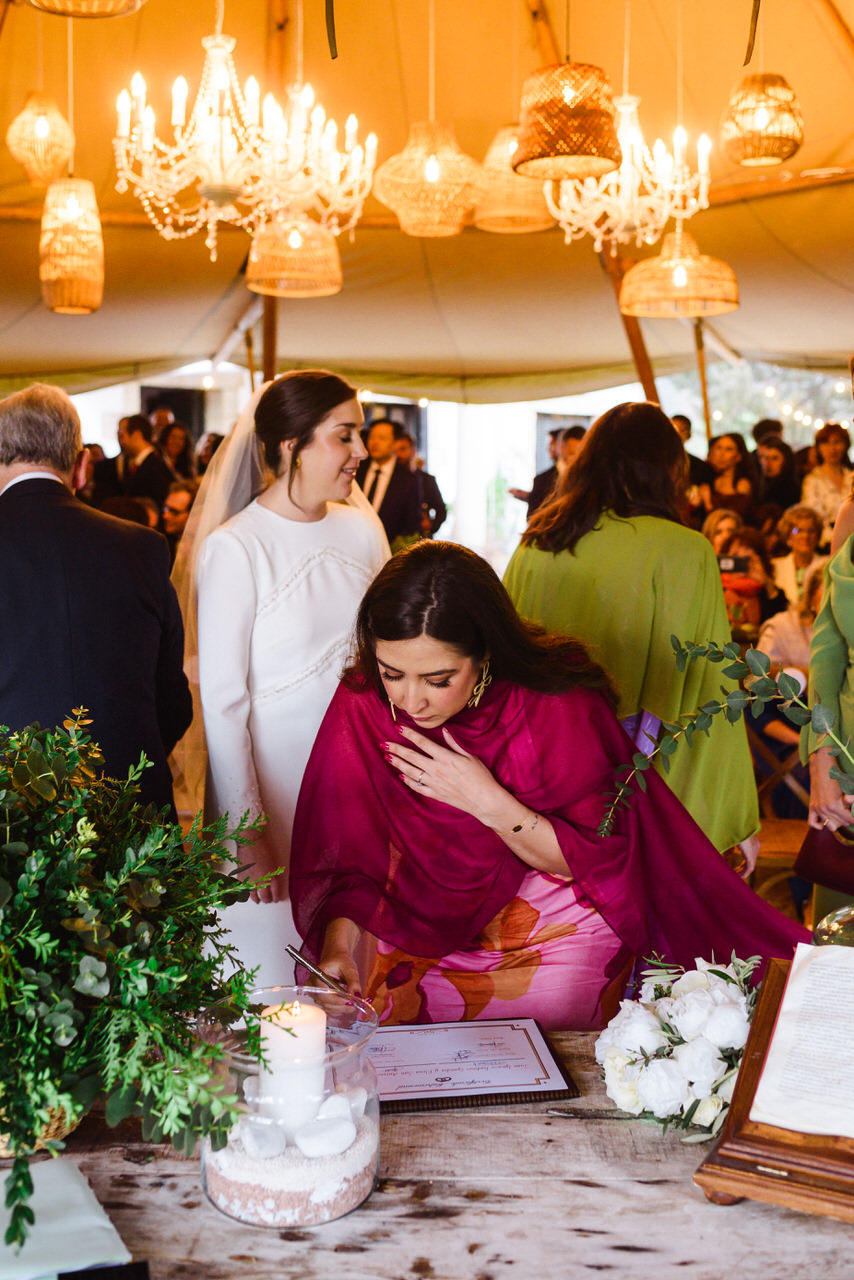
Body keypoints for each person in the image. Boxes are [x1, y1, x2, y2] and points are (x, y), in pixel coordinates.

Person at [290, 542, 806, 1031]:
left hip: (547, 915)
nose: (410, 701)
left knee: (549, 1020)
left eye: (439, 680)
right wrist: (338, 950)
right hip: (413, 916)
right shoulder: (366, 702)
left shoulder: (555, 702)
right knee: (379, 1017)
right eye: (392, 673)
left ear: (484, 653)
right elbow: (351, 863)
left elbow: (594, 859)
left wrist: (487, 801)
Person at [175, 370, 389, 982]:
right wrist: (246, 828)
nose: (361, 450)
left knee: (350, 960)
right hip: (274, 789)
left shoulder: (362, 530)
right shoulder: (236, 546)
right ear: (293, 444)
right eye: (344, 435)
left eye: (360, 434)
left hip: (356, 778)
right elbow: (224, 703)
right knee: (269, 968)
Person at [502, 402, 759, 861]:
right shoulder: (685, 550)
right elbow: (707, 684)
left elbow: (501, 658)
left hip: (536, 774)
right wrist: (729, 809)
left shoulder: (537, 542)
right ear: (668, 469)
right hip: (633, 782)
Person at [0, 383, 191, 813]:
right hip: (129, 803)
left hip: (11, 815)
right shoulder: (144, 546)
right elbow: (173, 701)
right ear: (83, 465)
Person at [356, 417, 421, 544]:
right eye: (372, 437)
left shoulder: (408, 479)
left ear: (395, 443)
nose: (375, 442)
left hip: (389, 546)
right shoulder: (357, 469)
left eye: (382, 438)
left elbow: (411, 523)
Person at [716, 526, 787, 639]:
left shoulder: (769, 594)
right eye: (736, 558)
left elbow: (780, 626)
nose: (741, 565)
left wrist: (766, 583)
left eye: (747, 559)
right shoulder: (716, 590)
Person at [92, 413, 173, 510]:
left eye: (123, 436)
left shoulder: (156, 466)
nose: (121, 442)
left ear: (136, 435)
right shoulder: (132, 464)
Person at [802, 422, 851, 548]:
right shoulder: (812, 480)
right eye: (826, 443)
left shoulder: (851, 477)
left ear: (846, 445)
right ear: (818, 447)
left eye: (837, 442)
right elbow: (813, 516)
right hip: (825, 544)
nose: (832, 449)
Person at [394, 431, 447, 535]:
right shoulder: (388, 480)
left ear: (413, 451)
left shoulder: (427, 480)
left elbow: (441, 510)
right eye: (395, 451)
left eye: (402, 449)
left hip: (419, 537)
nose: (398, 454)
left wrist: (430, 526)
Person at [771, 504, 825, 603]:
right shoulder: (775, 567)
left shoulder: (827, 566)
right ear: (788, 535)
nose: (805, 536)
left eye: (811, 530)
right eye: (798, 530)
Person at [698, 432, 756, 523]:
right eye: (718, 448)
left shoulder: (742, 485)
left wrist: (708, 504)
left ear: (739, 456)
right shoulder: (708, 480)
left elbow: (732, 521)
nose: (722, 454)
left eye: (728, 449)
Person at [757, 435, 800, 511]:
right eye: (766, 458)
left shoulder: (792, 490)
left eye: (775, 458)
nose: (768, 463)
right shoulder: (759, 484)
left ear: (785, 461)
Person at [162, 479, 197, 562]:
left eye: (174, 512)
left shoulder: (198, 550)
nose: (165, 516)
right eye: (166, 508)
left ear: (193, 514)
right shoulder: (164, 541)